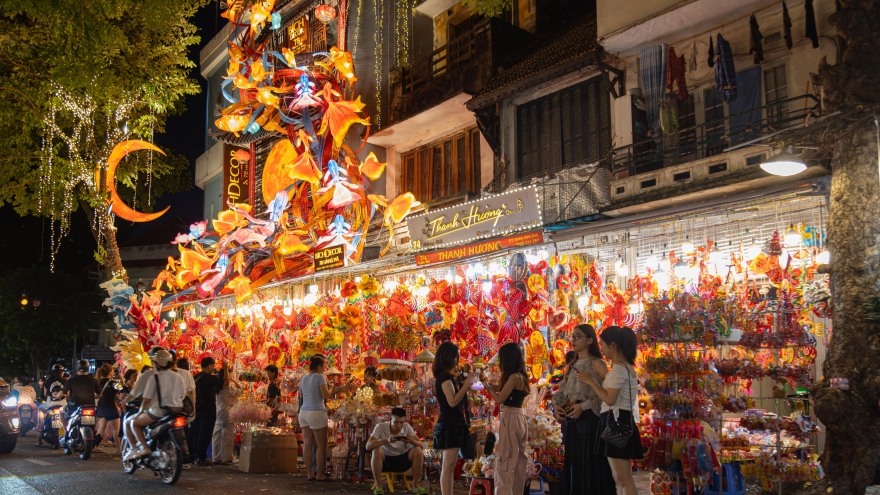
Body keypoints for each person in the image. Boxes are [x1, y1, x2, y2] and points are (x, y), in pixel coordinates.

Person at [578, 326, 643, 495]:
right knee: (619, 477)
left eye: (603, 344)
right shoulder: (623, 367)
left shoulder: (619, 369)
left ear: (612, 345)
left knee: (622, 478)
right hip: (619, 420)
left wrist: (592, 383)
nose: (601, 349)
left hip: (615, 422)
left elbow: (609, 398)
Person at [553, 324, 614, 495]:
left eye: (577, 336)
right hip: (571, 422)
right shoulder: (572, 365)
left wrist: (583, 406)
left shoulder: (598, 364)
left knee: (590, 465)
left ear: (589, 340)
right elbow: (562, 390)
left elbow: (608, 395)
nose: (573, 340)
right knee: (574, 464)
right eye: (572, 336)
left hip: (590, 421)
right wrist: (556, 405)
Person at [298, 354, 355, 481]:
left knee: (307, 444)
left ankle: (309, 473)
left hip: (303, 413)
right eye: (324, 366)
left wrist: (337, 388)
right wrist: (330, 387)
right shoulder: (320, 377)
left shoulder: (304, 378)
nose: (325, 368)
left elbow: (305, 395)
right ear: (319, 366)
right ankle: (319, 474)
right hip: (317, 412)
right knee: (321, 446)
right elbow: (325, 395)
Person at [485, 343, 530, 495]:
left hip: (510, 416)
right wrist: (490, 385)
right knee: (518, 463)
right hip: (520, 416)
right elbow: (501, 389)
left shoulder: (513, 377)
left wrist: (487, 388)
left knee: (505, 460)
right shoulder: (521, 376)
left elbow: (499, 398)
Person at [124, 350, 186, 461]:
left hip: (158, 412)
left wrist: (140, 412)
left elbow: (146, 400)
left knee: (133, 422)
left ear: (157, 363)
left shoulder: (154, 378)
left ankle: (143, 447)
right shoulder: (179, 377)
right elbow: (182, 395)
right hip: (176, 411)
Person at [432, 342, 474, 495]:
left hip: (451, 423)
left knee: (448, 466)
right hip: (450, 424)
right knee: (448, 466)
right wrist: (467, 384)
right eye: (456, 356)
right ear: (449, 357)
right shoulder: (445, 378)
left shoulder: (446, 377)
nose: (457, 360)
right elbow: (453, 401)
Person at [366, 407, 426, 495]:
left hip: (401, 461)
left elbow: (421, 445)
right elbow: (368, 446)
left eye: (401, 422)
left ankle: (415, 485)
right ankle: (379, 486)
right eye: (396, 422)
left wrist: (411, 441)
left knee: (418, 450)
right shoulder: (381, 427)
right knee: (377, 450)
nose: (399, 425)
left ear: (404, 421)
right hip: (385, 461)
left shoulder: (406, 427)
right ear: (391, 419)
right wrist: (387, 440)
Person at [191, 357, 223, 466]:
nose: (214, 368)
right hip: (208, 410)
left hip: (197, 409)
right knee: (205, 434)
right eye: (213, 365)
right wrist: (226, 370)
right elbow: (225, 384)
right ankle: (200, 457)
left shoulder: (194, 377)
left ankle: (194, 456)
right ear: (209, 366)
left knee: (197, 433)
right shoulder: (210, 378)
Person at [212, 363, 240, 465]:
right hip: (228, 412)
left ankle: (216, 457)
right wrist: (233, 380)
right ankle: (226, 457)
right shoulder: (229, 388)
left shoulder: (216, 387)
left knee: (217, 434)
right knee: (227, 435)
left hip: (219, 412)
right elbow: (240, 390)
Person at [94, 364, 121, 454]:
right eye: (113, 371)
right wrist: (121, 378)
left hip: (101, 408)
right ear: (110, 372)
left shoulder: (98, 381)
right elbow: (122, 389)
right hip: (110, 407)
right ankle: (118, 449)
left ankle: (95, 446)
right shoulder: (113, 383)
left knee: (101, 429)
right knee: (115, 429)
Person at [37, 366, 67, 445]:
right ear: (61, 372)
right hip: (63, 403)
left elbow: (43, 395)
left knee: (40, 408)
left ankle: (40, 426)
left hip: (50, 403)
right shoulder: (65, 381)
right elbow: (68, 394)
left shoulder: (48, 381)